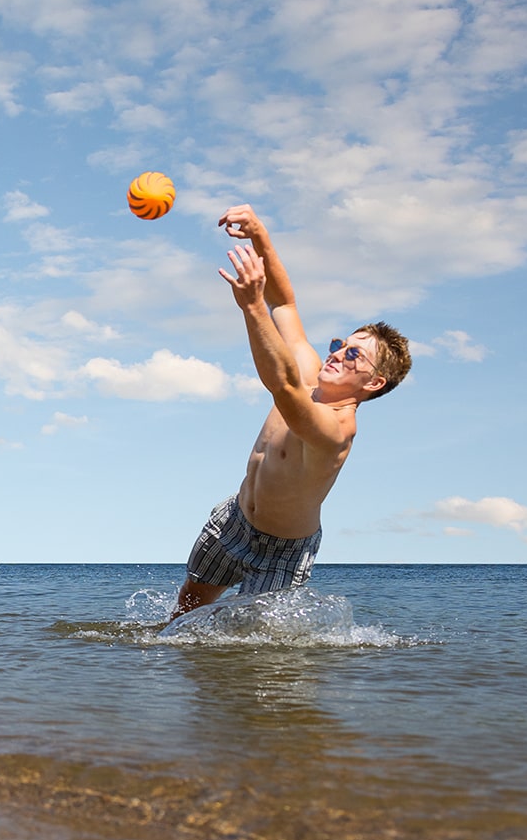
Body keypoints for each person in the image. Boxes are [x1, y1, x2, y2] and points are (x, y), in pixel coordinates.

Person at [173, 204, 412, 617]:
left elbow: (281, 386)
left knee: (252, 648)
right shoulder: (311, 373)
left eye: (353, 355)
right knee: (185, 613)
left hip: (281, 552)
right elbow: (284, 303)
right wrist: (258, 232)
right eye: (340, 344)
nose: (336, 354)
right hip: (234, 519)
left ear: (374, 383)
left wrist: (250, 308)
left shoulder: (336, 430)